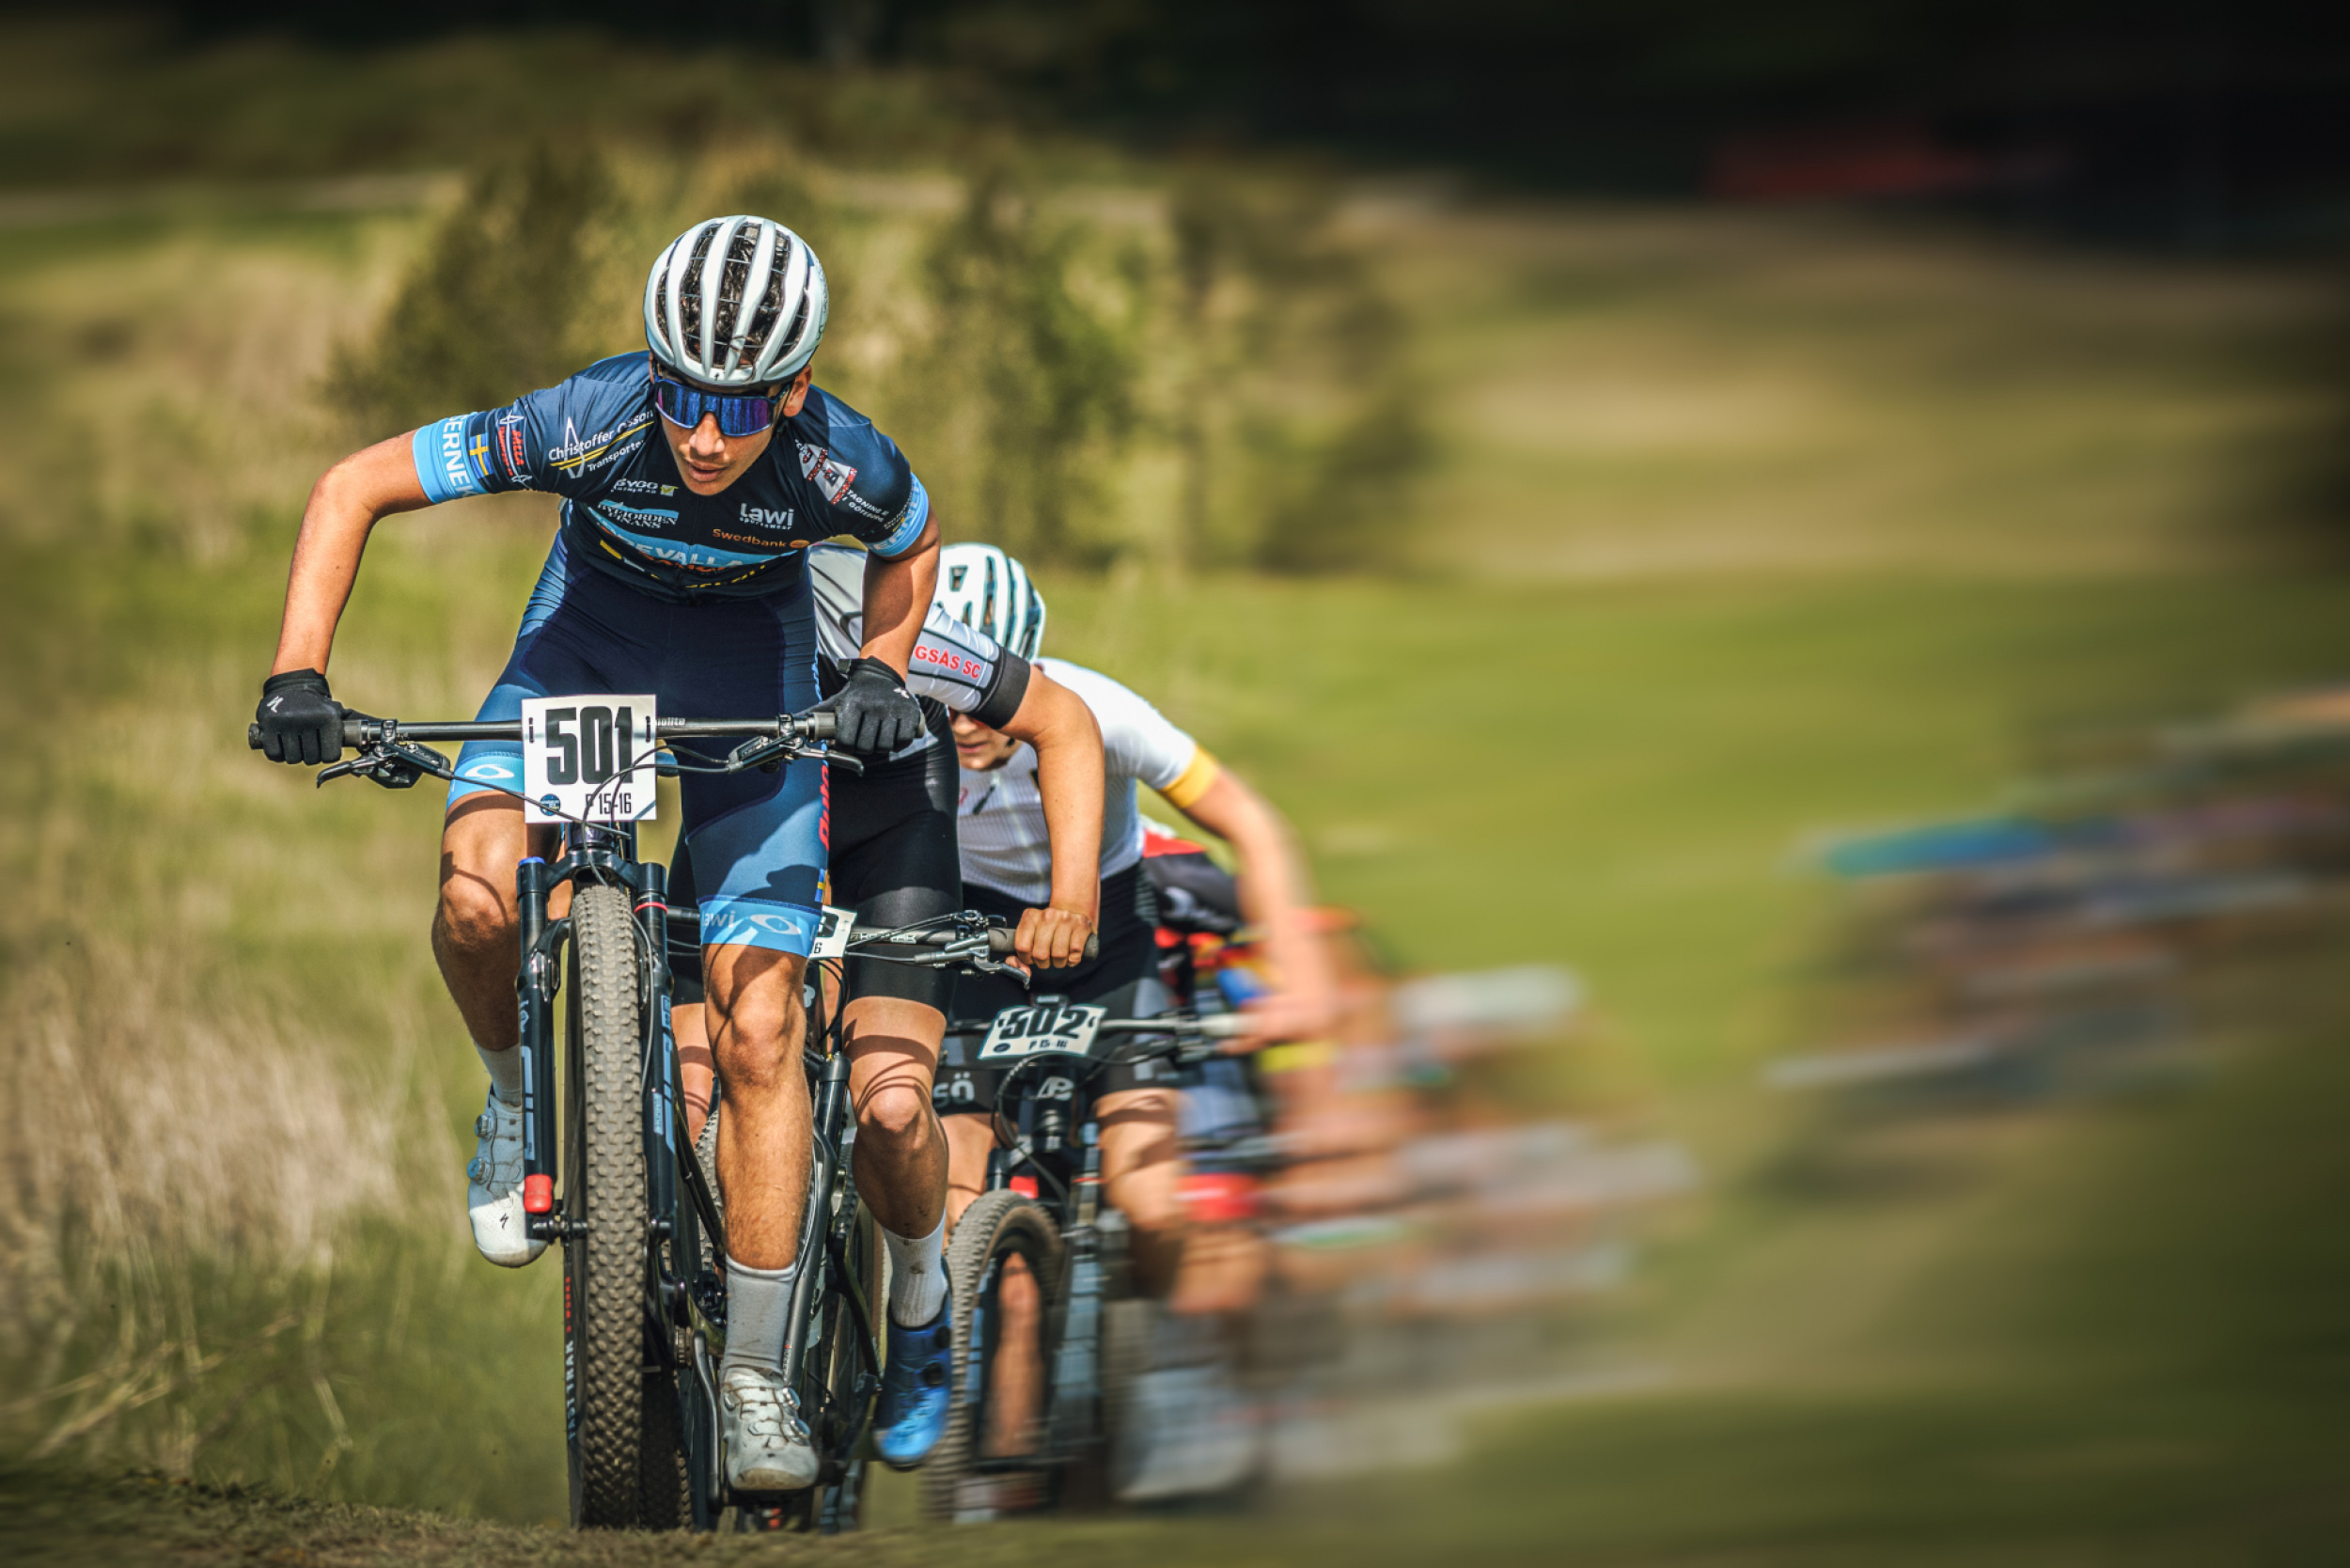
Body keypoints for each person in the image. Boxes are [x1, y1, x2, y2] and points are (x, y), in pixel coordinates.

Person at [251, 216, 1087, 1494]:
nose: (701, 434)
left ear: (792, 392)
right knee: (476, 899)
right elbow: (350, 486)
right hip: (585, 653)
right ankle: (512, 1104)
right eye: (680, 394)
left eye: (737, 408)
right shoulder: (582, 419)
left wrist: (879, 669)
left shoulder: (840, 458)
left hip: (749, 673)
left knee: (760, 1029)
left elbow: (912, 545)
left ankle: (753, 1375)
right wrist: (298, 670)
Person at [665, 541, 1104, 1468]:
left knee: (896, 1110)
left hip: (889, 832)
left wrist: (1071, 901)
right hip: (744, 833)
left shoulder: (869, 618)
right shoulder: (650, 595)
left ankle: (917, 1300)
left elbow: (1063, 721)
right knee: (688, 1108)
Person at [926, 542, 1337, 1500]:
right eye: (944, 690)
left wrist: (1302, 978)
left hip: (1110, 944)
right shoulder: (907, 724)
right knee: (952, 1200)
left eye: (985, 692)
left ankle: (1192, 1377)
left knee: (1153, 1203)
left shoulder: (1102, 710)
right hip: (981, 945)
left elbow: (1252, 822)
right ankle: (987, 1459)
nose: (964, 719)